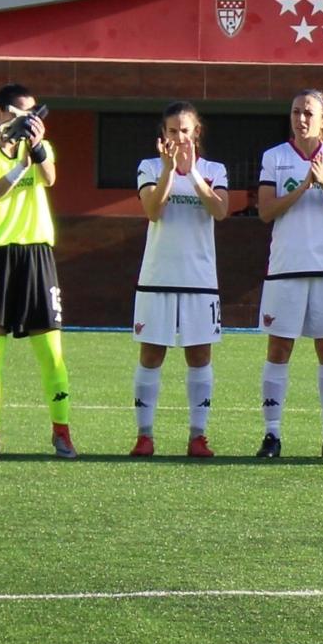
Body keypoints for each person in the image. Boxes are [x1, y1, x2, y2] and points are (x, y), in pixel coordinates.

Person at [0, 83, 74, 460]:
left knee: (51, 353)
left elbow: (50, 177)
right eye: (19, 113)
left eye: (32, 114)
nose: (27, 121)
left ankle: (62, 433)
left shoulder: (38, 147)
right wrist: (18, 168)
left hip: (36, 255)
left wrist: (36, 149)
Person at [255, 89, 323, 459]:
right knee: (279, 348)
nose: (301, 118)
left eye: (309, 112)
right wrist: (303, 187)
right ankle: (271, 435)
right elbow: (265, 212)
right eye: (296, 111)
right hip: (284, 268)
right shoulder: (275, 157)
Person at [128, 102, 229, 458]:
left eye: (185, 130)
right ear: (163, 134)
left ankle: (198, 437)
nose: (179, 137)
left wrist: (193, 175)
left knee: (199, 356)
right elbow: (153, 210)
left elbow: (220, 210)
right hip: (157, 277)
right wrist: (170, 172)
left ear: (196, 132)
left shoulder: (214, 169)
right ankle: (144, 435)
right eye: (172, 131)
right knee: (151, 355)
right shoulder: (150, 167)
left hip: (200, 280)